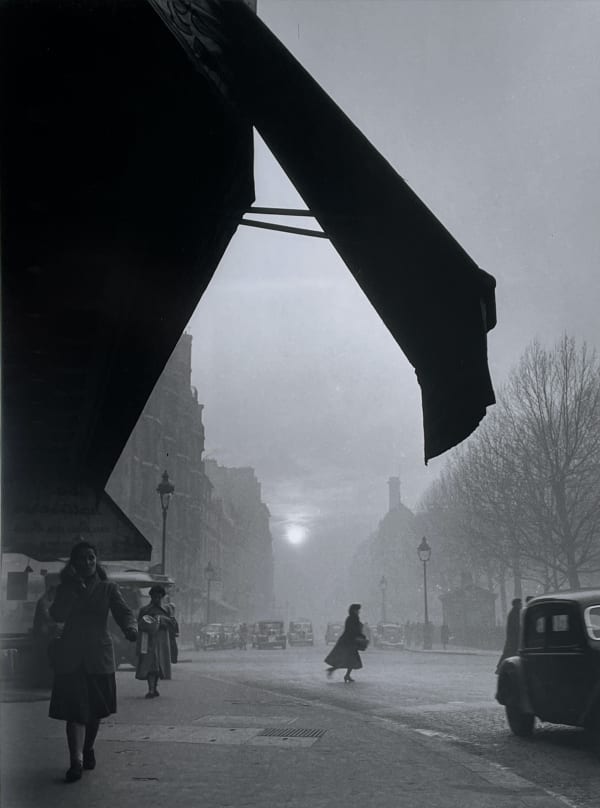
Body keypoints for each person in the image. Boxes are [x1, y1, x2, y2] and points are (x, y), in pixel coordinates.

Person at [48, 539, 138, 783]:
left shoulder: (108, 588)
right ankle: (75, 762)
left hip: (99, 656)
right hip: (71, 656)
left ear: (96, 561)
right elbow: (56, 614)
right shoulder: (65, 588)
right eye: (81, 558)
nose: (87, 562)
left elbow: (124, 612)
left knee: (95, 712)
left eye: (91, 557)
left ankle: (88, 747)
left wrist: (131, 628)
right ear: (73, 564)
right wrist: (73, 592)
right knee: (74, 712)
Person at [135, 585, 178, 698]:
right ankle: (151, 689)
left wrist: (166, 621)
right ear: (151, 597)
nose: (157, 600)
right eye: (155, 597)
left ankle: (155, 687)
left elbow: (173, 626)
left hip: (163, 641)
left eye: (159, 597)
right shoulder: (144, 610)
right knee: (151, 665)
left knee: (159, 666)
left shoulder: (168, 610)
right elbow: (139, 625)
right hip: (149, 640)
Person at [324, 603, 366, 683]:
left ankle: (342, 673)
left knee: (348, 659)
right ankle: (340, 672)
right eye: (357, 610)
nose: (358, 612)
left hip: (347, 641)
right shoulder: (353, 618)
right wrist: (361, 635)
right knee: (349, 659)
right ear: (354, 611)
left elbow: (352, 630)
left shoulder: (350, 618)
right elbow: (354, 630)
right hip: (349, 642)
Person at [495, 597, 522, 673]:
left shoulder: (514, 612)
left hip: (512, 637)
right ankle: (500, 668)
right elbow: (516, 626)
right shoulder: (514, 613)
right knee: (509, 652)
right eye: (520, 603)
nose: (521, 605)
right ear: (516, 604)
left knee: (508, 652)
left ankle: (500, 667)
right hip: (513, 638)